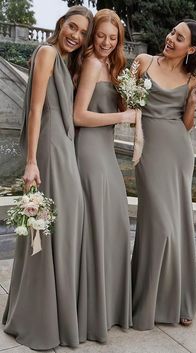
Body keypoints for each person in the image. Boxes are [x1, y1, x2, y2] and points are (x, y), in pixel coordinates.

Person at [2, 6, 93, 350]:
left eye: (82, 32)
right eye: (73, 26)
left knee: (58, 226)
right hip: (50, 151)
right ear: (61, 24)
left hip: (64, 147)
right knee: (49, 227)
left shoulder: (67, 61)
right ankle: (38, 317)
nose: (76, 35)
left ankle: (51, 310)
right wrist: (30, 162)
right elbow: (36, 108)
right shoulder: (46, 52)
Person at [131, 19, 196, 329]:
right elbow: (124, 101)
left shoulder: (192, 81)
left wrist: (193, 102)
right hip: (147, 150)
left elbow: (186, 125)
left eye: (180, 38)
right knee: (159, 225)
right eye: (172, 32)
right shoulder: (143, 61)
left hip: (177, 152)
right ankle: (146, 300)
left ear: (190, 49)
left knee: (177, 225)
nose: (171, 38)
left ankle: (180, 300)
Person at [73, 9, 135, 343]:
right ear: (92, 35)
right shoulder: (93, 64)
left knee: (114, 226)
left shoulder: (114, 66)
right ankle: (91, 311)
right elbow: (78, 115)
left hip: (106, 153)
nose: (107, 43)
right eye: (101, 36)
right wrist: (123, 114)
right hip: (90, 153)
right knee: (98, 226)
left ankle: (106, 307)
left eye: (113, 38)